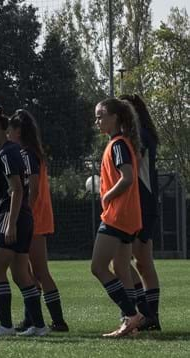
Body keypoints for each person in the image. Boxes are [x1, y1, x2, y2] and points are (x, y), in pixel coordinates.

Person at [0, 108, 48, 337]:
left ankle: (5, 326)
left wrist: (11, 223)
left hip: (12, 215)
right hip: (23, 216)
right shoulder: (15, 150)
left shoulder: (7, 153)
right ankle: (39, 326)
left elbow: (16, 189)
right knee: (20, 274)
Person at [7, 110, 69, 332]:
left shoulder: (26, 154)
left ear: (18, 131)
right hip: (38, 216)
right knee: (30, 272)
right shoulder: (32, 153)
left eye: (10, 130)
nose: (7, 134)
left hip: (35, 218)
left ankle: (58, 321)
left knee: (39, 272)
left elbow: (32, 188)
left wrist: (24, 211)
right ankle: (31, 318)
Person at [90, 98, 145, 337]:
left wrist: (107, 196)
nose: (97, 120)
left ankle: (131, 314)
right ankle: (131, 323)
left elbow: (128, 177)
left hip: (117, 216)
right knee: (121, 268)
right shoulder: (120, 143)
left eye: (101, 115)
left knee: (98, 267)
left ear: (115, 118)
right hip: (128, 217)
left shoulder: (118, 145)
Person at [119, 94, 161, 331]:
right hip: (141, 205)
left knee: (130, 262)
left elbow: (130, 164)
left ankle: (144, 314)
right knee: (141, 263)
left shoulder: (140, 137)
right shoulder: (136, 136)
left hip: (142, 204)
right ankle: (148, 315)